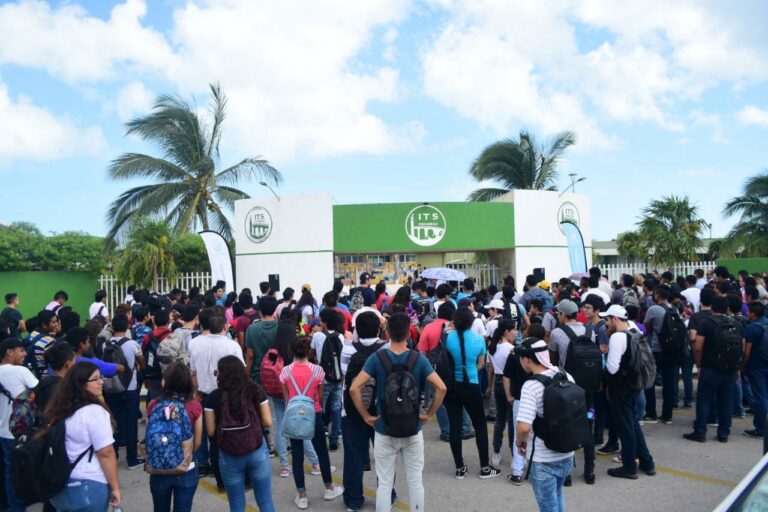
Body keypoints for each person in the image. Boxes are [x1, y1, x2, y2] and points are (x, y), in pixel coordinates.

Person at [350, 312, 446, 512]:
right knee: (415, 481)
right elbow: (441, 388)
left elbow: (354, 388)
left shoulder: (377, 358)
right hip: (413, 428)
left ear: (387, 333)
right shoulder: (418, 359)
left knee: (384, 484)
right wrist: (428, 414)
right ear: (409, 334)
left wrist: (366, 415)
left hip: (385, 428)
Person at [44, 361, 122, 512]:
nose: (101, 382)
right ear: (82, 384)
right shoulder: (94, 411)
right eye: (96, 379)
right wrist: (116, 488)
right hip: (88, 485)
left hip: (60, 488)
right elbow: (106, 453)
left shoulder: (60, 409)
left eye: (101, 377)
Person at [205, 356, 275, 512]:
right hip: (256, 449)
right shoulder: (256, 391)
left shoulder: (214, 397)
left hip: (229, 453)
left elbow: (210, 431)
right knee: (265, 500)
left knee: (236, 503)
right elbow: (268, 422)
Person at [280, 337, 343, 509]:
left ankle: (302, 495)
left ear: (292, 352)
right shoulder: (318, 371)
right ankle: (329, 487)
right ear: (308, 351)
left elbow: (286, 396)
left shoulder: (285, 371)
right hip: (313, 413)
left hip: (293, 415)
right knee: (321, 451)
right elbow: (320, 396)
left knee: (297, 455)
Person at [515, 338, 574, 511]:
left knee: (548, 507)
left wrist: (519, 443)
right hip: (566, 453)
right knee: (558, 496)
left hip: (543, 458)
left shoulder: (531, 386)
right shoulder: (565, 374)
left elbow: (524, 427)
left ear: (527, 359)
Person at [443, 307, 501, 479]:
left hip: (452, 386)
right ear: (471, 322)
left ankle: (460, 468)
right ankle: (484, 467)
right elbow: (481, 365)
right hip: (471, 385)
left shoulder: (448, 338)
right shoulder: (478, 341)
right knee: (480, 426)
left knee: (455, 425)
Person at [189, 310, 244, 489]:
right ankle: (230, 471)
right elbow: (241, 370)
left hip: (205, 394)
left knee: (210, 433)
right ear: (225, 327)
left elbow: (193, 372)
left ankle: (210, 469)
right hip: (227, 394)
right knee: (230, 431)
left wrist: (196, 390)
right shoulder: (231, 346)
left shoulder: (194, 343)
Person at [601, 305, 656, 480]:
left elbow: (612, 368)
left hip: (621, 388)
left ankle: (629, 466)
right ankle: (647, 462)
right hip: (635, 384)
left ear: (615, 319)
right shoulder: (634, 330)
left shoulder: (617, 337)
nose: (605, 324)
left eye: (607, 319)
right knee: (633, 424)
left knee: (626, 427)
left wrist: (607, 353)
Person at [339, 311, 388, 511]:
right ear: (378, 328)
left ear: (356, 329)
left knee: (353, 455)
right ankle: (387, 495)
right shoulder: (386, 348)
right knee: (384, 456)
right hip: (381, 409)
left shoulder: (347, 348)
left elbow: (345, 374)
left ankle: (353, 499)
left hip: (351, 409)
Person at [685, 296, 745, 443]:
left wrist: (698, 365)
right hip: (730, 369)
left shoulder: (706, 323)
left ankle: (700, 432)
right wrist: (737, 368)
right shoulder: (737, 324)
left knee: (704, 399)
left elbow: (698, 347)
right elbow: (741, 350)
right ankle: (723, 433)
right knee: (726, 401)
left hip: (710, 367)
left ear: (712, 307)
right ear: (727, 309)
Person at [268, 321, 322, 479]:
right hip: (303, 398)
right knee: (301, 427)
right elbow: (319, 392)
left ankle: (285, 466)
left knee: (280, 426)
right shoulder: (314, 368)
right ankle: (315, 462)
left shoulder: (273, 349)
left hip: (281, 393)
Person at [147, 363, 202, 512]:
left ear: (165, 382)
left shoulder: (153, 405)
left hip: (158, 466)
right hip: (185, 467)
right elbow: (197, 442)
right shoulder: (194, 406)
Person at [0, 336, 40, 511]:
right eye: (21, 350)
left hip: (3, 432)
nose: (25, 354)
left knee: (9, 472)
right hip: (21, 431)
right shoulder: (20, 371)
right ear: (9, 352)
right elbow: (39, 390)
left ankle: (13, 507)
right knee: (28, 468)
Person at [103, 313, 146, 470]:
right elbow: (142, 363)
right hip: (130, 387)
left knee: (114, 421)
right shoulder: (132, 344)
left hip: (111, 387)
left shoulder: (105, 344)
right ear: (128, 325)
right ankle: (132, 458)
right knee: (131, 422)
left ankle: (114, 452)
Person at [644, 285, 680, 424]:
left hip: (657, 350)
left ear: (657, 295)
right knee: (669, 382)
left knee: (650, 381)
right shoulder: (674, 309)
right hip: (671, 350)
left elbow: (647, 327)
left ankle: (651, 413)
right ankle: (667, 415)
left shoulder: (653, 309)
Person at [310, 308, 344, 451]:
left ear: (324, 322)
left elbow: (311, 353)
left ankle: (318, 436)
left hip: (321, 378)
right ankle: (334, 439)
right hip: (337, 376)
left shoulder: (318, 336)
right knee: (336, 408)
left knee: (319, 407)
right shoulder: (341, 337)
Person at [488, 319, 516, 470]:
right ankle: (514, 454)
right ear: (507, 331)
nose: (516, 333)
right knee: (512, 421)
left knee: (499, 419)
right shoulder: (511, 349)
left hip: (497, 383)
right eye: (514, 330)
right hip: (509, 383)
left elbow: (491, 369)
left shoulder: (492, 347)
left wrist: (489, 386)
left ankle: (496, 452)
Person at [744, 301, 768, 438]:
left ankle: (760, 428)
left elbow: (747, 352)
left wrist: (742, 366)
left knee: (761, 397)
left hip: (757, 366)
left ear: (753, 313)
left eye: (748, 311)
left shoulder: (752, 328)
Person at [245, 296, 279, 384]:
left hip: (258, 374)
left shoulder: (252, 328)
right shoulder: (280, 327)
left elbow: (250, 355)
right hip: (277, 373)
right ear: (274, 309)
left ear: (260, 310)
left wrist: (247, 375)